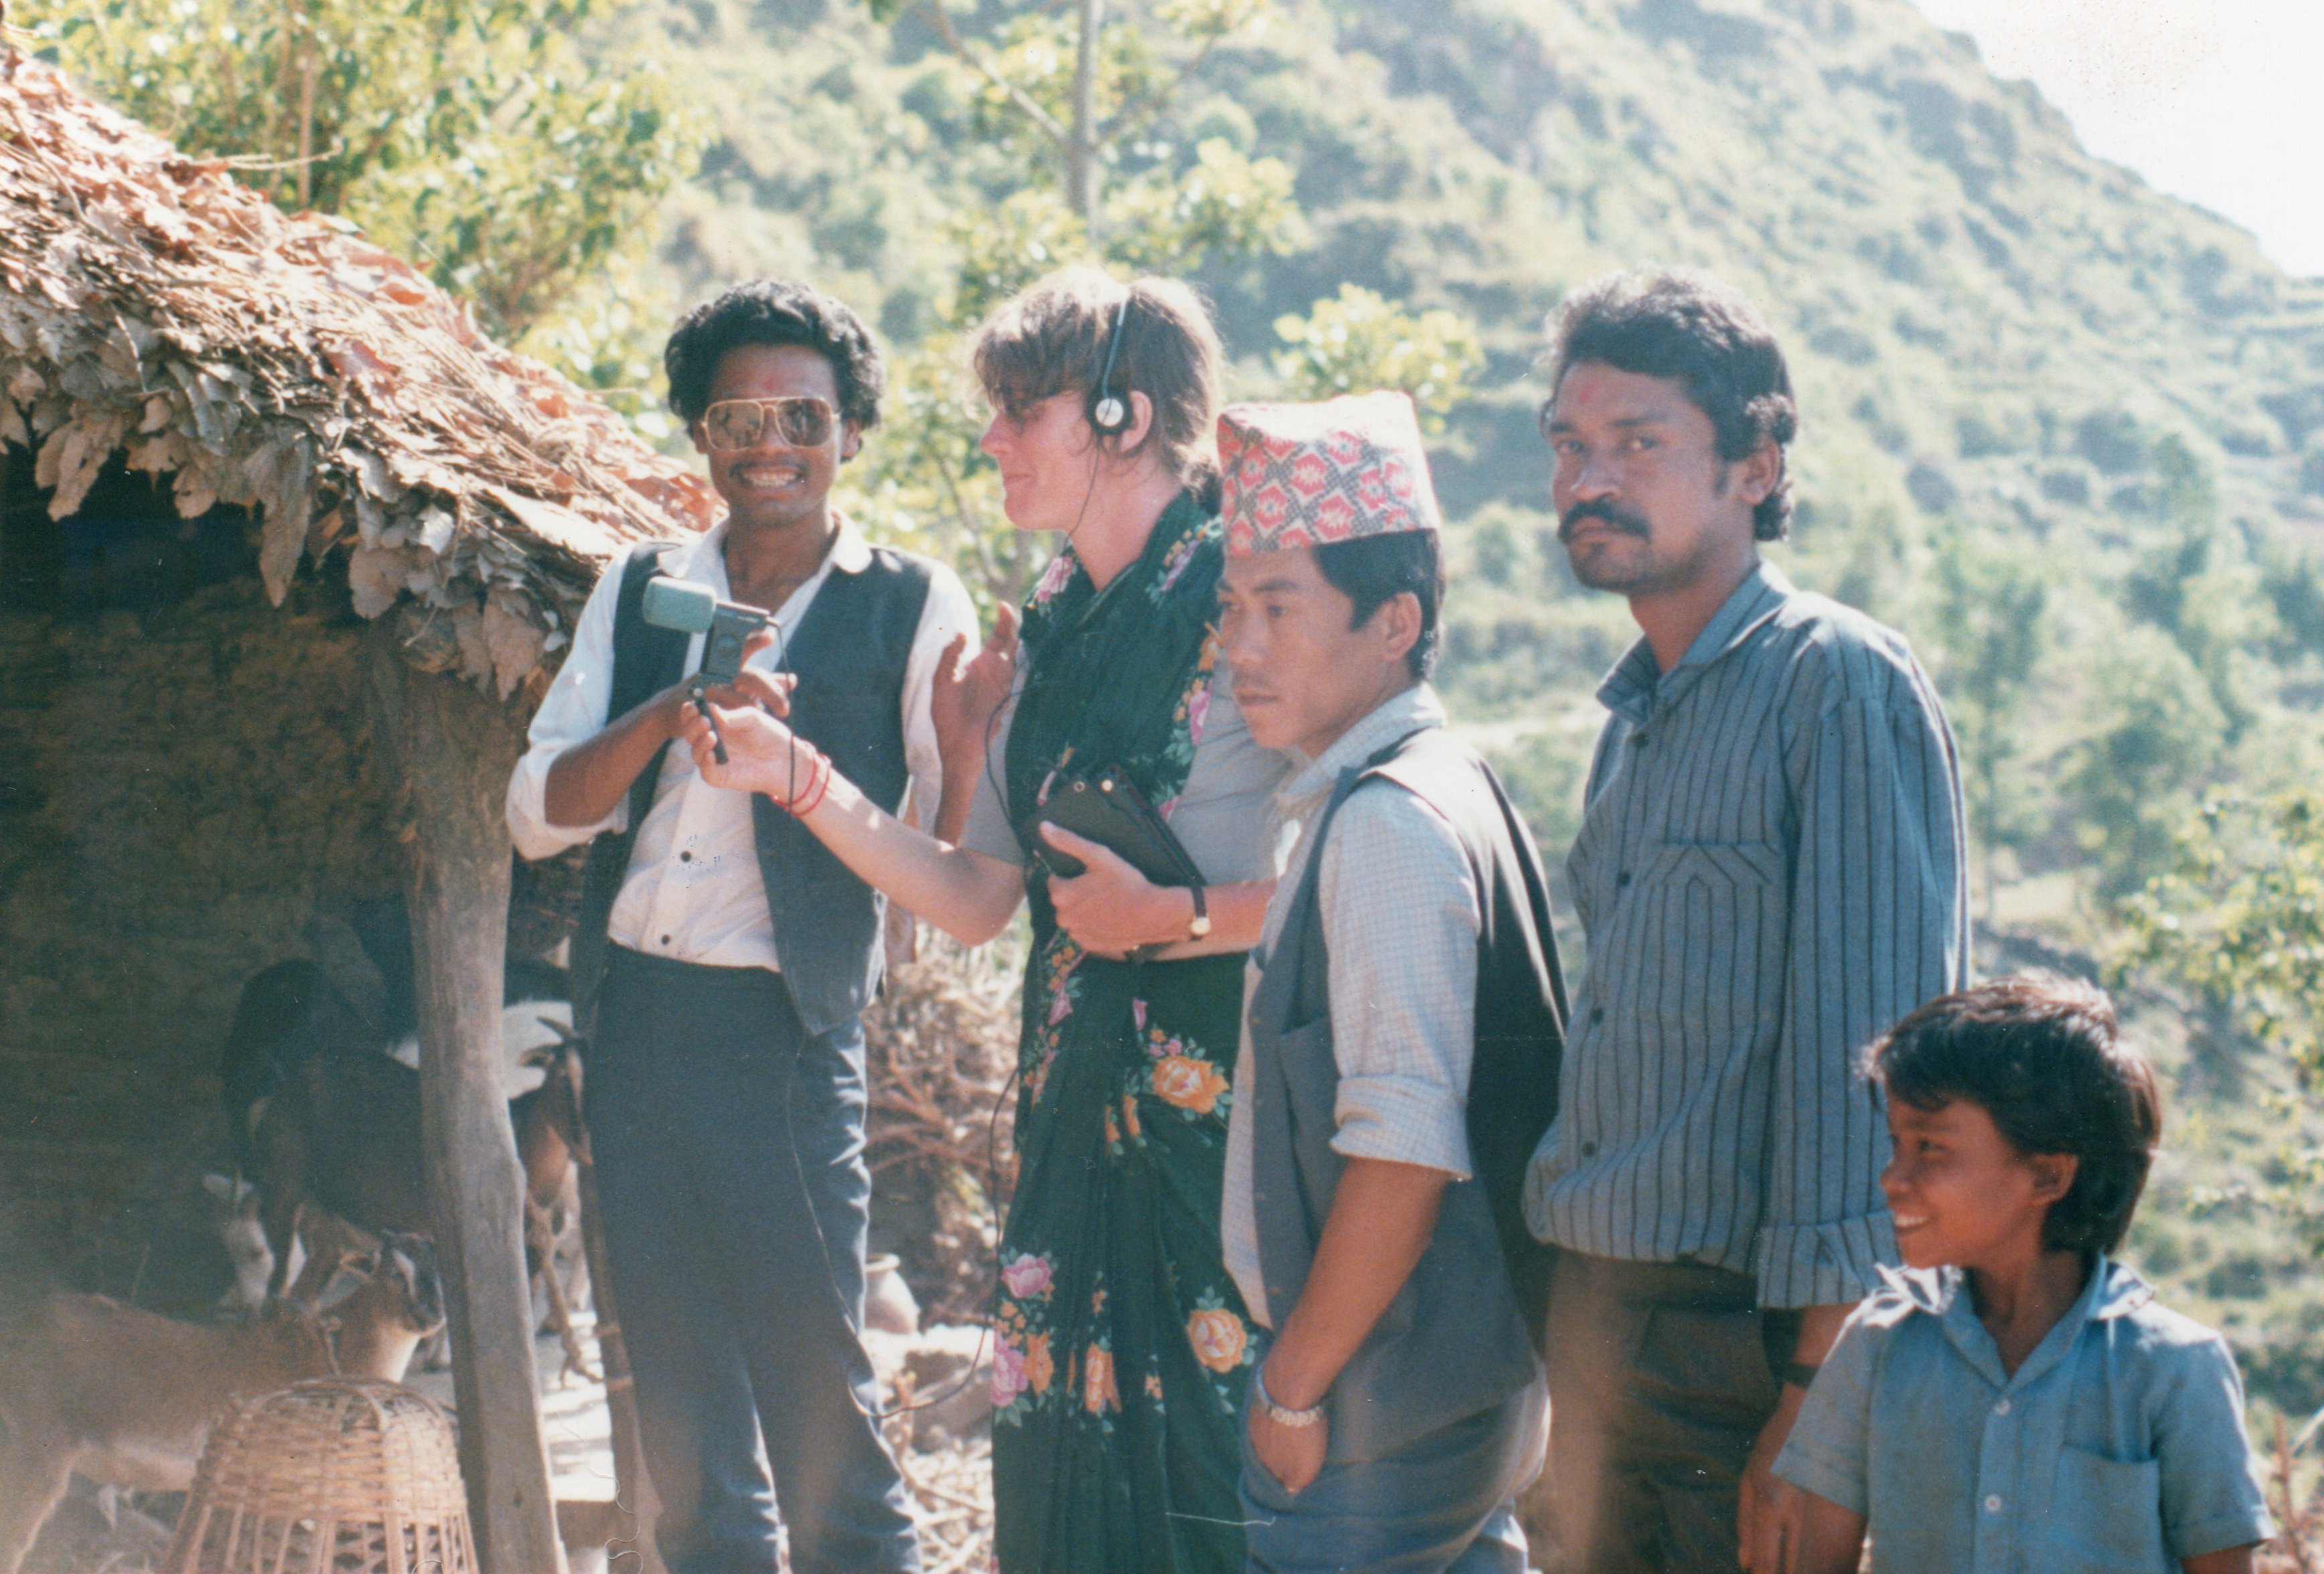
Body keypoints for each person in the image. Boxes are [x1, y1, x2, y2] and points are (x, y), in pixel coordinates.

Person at [676, 268, 1291, 1574]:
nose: (990, 439)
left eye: (1020, 409)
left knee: (1211, 1511)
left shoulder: (1260, 587)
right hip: (1076, 1143)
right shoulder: (1053, 620)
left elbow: (1378, 866)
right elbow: (974, 901)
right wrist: (803, 781)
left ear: (1122, 413)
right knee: (1071, 1511)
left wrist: (1173, 915)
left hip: (1233, 1153)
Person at [505, 279, 978, 1574]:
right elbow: (538, 809)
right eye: (738, 416)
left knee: (820, 1411)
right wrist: (671, 714)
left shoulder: (912, 604)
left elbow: (950, 857)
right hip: (637, 1023)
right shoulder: (643, 587)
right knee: (682, 1419)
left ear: (850, 432)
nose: (771, 441)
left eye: (803, 416)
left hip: (784, 1036)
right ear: (702, 437)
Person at [1520, 266, 1971, 1573]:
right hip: (1596, 1323)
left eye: (1638, 444)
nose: (1587, 477)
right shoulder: (1634, 715)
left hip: (1744, 1346)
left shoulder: (1831, 682)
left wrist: (1812, 1399)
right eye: (1568, 443)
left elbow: (1879, 1058)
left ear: (1754, 464)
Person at [1210, 393, 1568, 1574]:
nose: (1239, 647)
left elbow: (1404, 1149)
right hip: (1455, 1385)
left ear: (1393, 620)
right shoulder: (1444, 778)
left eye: (1278, 606)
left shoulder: (1386, 826)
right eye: (1230, 608)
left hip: (1382, 1405)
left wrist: (1294, 1387)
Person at [1776, 974, 2274, 1574]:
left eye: (1930, 1147)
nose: (1892, 1178)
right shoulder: (1877, 1348)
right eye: (1896, 1143)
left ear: (2049, 1176)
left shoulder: (2172, 1369)